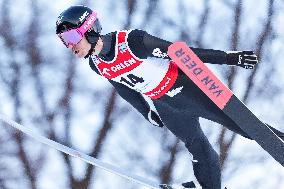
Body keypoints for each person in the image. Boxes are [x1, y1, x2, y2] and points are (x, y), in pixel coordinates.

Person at [55, 5, 284, 189]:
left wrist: (228, 58)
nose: (71, 46)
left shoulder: (132, 42)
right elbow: (124, 89)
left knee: (245, 127)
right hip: (165, 105)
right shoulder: (97, 64)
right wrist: (146, 112)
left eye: (73, 36)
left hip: (187, 88)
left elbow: (181, 53)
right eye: (65, 41)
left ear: (90, 29)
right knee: (198, 148)